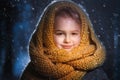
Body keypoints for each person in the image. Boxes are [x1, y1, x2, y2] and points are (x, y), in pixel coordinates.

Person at [20, 0, 109, 80]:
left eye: (74, 34)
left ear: (83, 35)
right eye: (60, 33)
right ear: (48, 35)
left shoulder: (94, 74)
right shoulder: (34, 70)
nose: (67, 40)